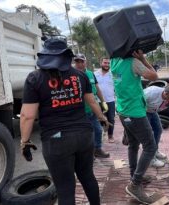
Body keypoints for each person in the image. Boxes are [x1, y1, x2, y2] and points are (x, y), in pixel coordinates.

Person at [20, 37, 110, 205]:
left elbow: (27, 116)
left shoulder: (35, 78)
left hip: (56, 140)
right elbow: (91, 101)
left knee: (65, 188)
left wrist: (24, 141)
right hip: (84, 135)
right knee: (88, 177)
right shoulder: (80, 76)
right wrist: (102, 118)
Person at [111, 49, 162, 204]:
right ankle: (135, 184)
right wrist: (143, 58)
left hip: (122, 111)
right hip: (135, 112)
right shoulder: (133, 62)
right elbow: (154, 76)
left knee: (133, 144)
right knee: (150, 147)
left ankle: (135, 175)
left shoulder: (114, 61)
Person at [74, 53, 110, 158]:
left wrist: (103, 102)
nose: (79, 64)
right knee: (85, 134)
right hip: (80, 111)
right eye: (77, 62)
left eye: (81, 61)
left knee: (98, 130)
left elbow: (97, 88)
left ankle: (97, 149)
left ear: (85, 62)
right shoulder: (72, 75)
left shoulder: (90, 74)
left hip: (93, 108)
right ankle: (87, 154)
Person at [94, 57, 116, 143]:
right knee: (99, 119)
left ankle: (110, 136)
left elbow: (119, 86)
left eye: (108, 63)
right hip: (97, 101)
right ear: (101, 63)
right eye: (105, 63)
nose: (107, 65)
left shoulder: (114, 74)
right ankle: (101, 134)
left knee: (111, 119)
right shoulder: (95, 74)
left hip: (110, 101)